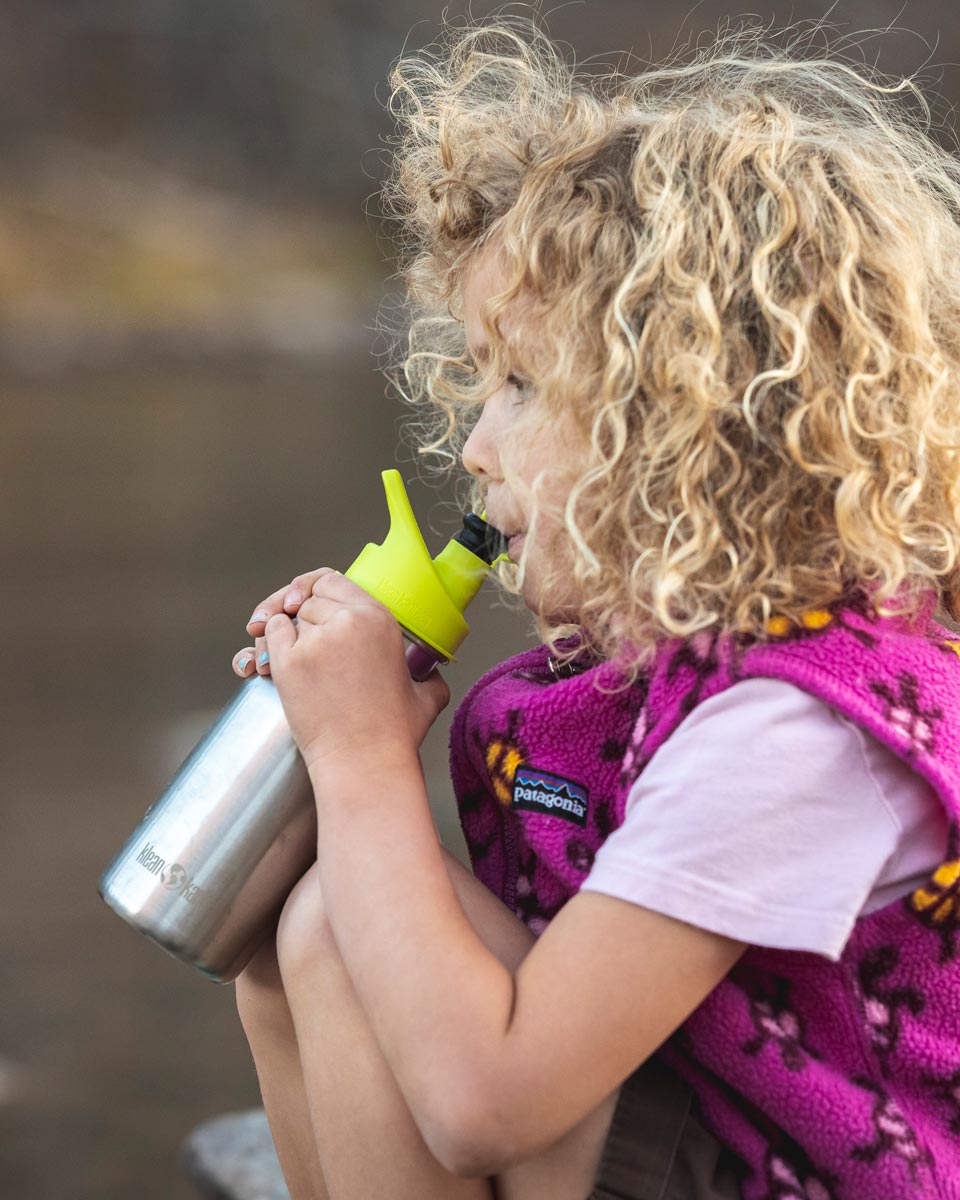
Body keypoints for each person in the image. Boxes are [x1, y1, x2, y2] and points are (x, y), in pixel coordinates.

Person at [229, 15, 960, 1200]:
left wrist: (363, 760)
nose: (473, 445)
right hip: (705, 1138)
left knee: (348, 933)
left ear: (688, 416)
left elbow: (484, 1106)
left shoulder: (793, 736)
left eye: (520, 384)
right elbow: (316, 972)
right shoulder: (653, 677)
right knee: (309, 928)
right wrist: (322, 756)